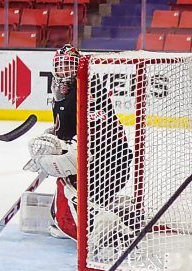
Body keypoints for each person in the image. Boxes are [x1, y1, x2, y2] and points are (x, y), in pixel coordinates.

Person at [24, 44, 133, 242]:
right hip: (91, 160)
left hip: (108, 163)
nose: (64, 70)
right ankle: (96, 216)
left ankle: (103, 233)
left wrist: (62, 149)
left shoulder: (88, 89)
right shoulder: (63, 91)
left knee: (67, 210)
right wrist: (52, 139)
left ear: (78, 67)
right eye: (61, 65)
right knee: (61, 206)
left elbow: (96, 133)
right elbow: (68, 128)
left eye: (69, 65)